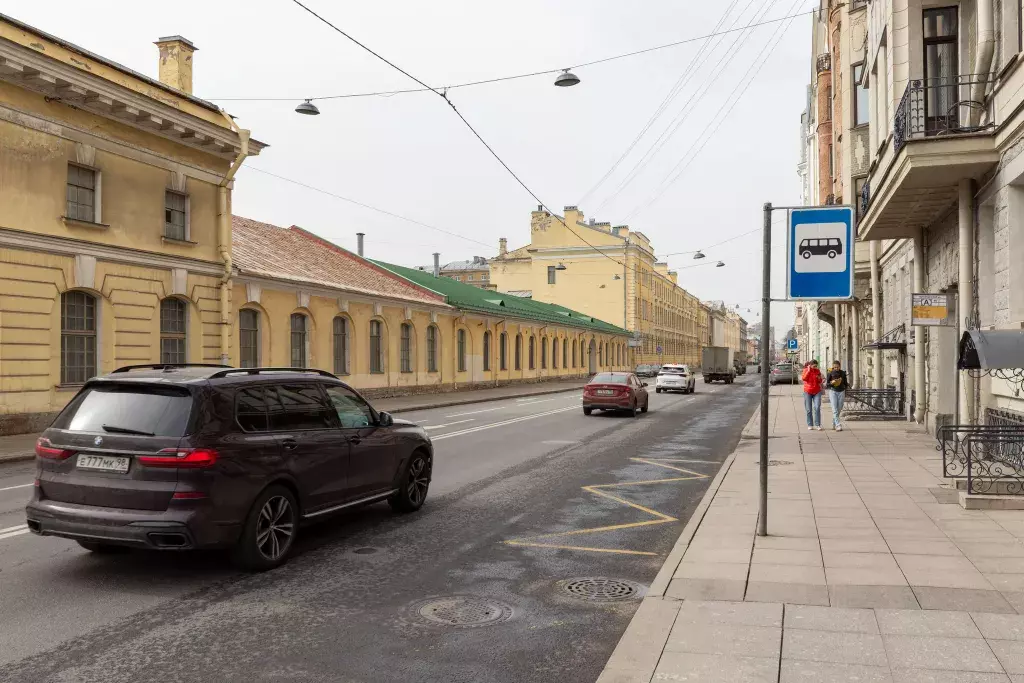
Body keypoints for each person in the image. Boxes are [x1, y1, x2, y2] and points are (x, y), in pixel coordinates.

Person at [801, 359, 824, 431]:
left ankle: (818, 424)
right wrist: (808, 371)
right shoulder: (805, 370)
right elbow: (804, 378)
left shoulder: (817, 371)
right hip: (808, 391)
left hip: (817, 391)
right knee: (809, 409)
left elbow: (820, 381)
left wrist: (819, 378)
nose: (815, 367)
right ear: (810, 365)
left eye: (816, 366)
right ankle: (810, 424)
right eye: (814, 366)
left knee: (817, 407)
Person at [827, 360, 849, 431]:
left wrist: (846, 389)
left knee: (839, 409)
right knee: (835, 409)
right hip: (833, 391)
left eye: (837, 367)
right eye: (835, 367)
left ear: (840, 366)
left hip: (841, 392)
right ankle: (838, 425)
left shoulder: (843, 373)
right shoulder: (830, 373)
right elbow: (827, 384)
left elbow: (845, 383)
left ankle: (834, 422)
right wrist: (832, 383)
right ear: (833, 367)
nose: (836, 368)